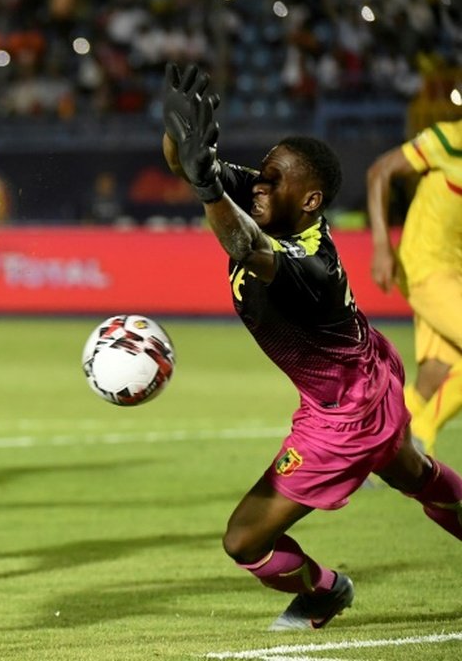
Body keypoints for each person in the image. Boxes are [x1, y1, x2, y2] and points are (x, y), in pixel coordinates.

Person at [162, 63, 462, 632]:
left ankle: (324, 591)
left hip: (344, 416)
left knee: (244, 539)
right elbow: (186, 164)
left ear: (311, 199)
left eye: (273, 178)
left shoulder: (312, 264)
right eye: (261, 174)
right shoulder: (266, 196)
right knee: (415, 474)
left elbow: (245, 246)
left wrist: (205, 186)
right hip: (367, 378)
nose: (259, 184)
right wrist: (177, 131)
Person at [366, 118, 462, 456]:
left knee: (438, 373)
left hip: (454, 273)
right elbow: (380, 171)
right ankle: (419, 437)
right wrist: (381, 245)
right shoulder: (450, 139)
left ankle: (369, 452)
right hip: (424, 267)